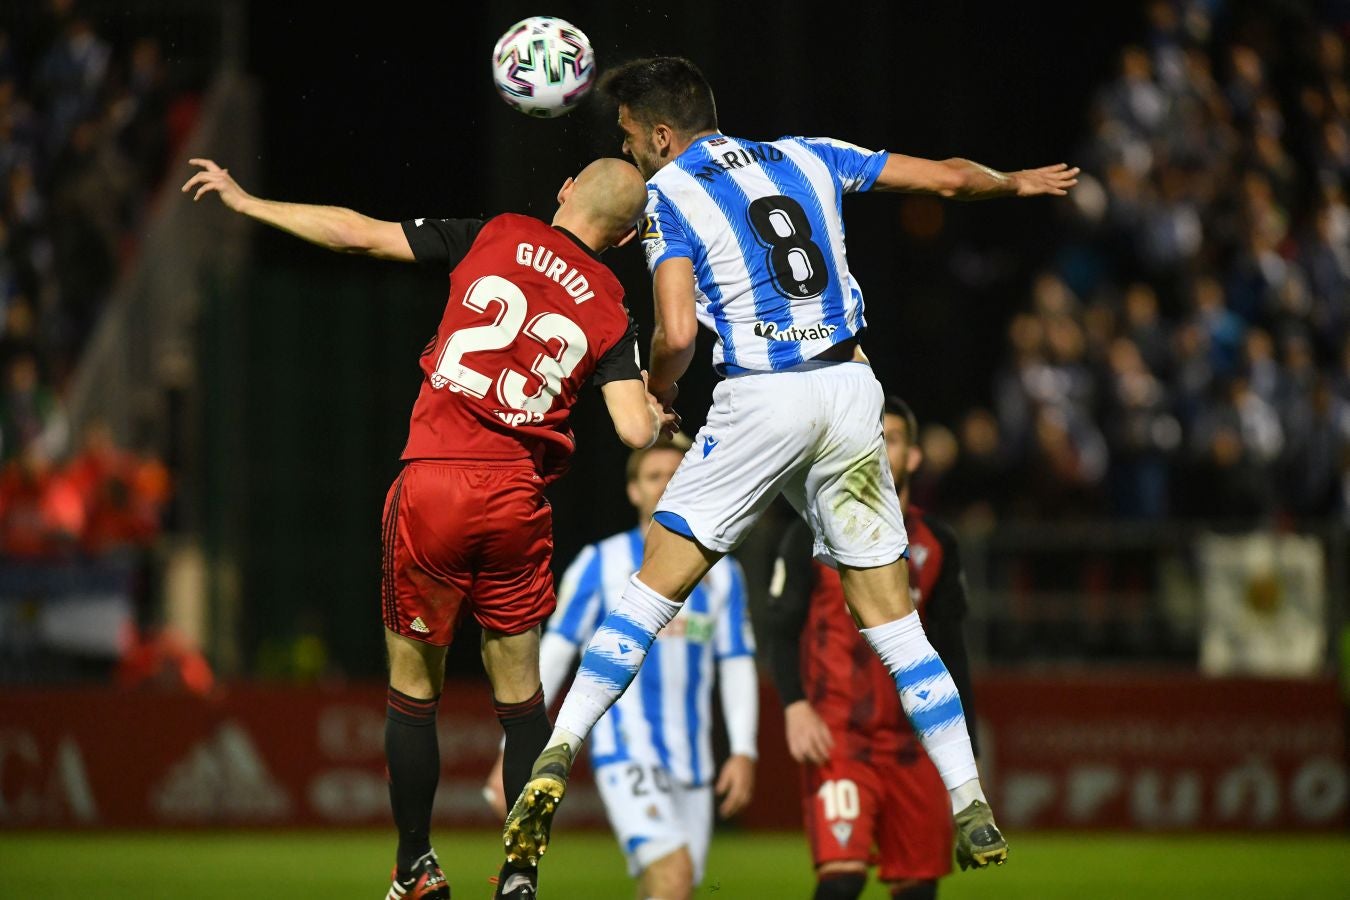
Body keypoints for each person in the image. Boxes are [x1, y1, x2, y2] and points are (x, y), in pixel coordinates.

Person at [504, 56, 1076, 880]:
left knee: (651, 589)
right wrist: (1011, 183)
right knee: (894, 621)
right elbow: (949, 179)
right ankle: (969, 796)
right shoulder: (810, 153)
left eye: (630, 140)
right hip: (850, 390)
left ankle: (558, 750)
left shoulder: (669, 196)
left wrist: (662, 395)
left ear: (662, 135)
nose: (629, 158)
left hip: (762, 395)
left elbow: (675, 335)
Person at [183, 155, 674, 900]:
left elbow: (357, 236)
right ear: (628, 235)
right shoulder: (610, 302)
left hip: (436, 481)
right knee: (522, 704)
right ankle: (518, 873)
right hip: (516, 497)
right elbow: (637, 430)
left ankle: (416, 865)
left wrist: (249, 203)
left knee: (414, 692)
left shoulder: (494, 234)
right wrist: (656, 400)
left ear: (566, 188)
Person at [487, 432, 757, 900]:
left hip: (694, 759)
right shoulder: (601, 562)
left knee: (673, 887)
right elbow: (555, 652)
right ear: (633, 490)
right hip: (627, 749)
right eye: (654, 476)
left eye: (675, 476)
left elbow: (736, 661)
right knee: (672, 874)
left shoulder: (722, 573)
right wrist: (512, 747)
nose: (664, 485)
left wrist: (744, 749)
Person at [767, 396, 979, 900]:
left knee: (916, 889)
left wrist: (968, 762)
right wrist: (795, 705)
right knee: (841, 881)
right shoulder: (810, 533)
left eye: (895, 439)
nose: (882, 449)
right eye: (873, 437)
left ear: (914, 458)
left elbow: (953, 651)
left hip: (919, 745)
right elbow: (781, 629)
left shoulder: (938, 543)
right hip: (840, 737)